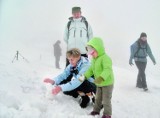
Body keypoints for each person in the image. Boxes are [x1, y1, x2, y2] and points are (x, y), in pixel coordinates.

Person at [79, 37, 114, 118]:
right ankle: (96, 111)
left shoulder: (105, 58)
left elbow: (107, 70)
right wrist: (84, 76)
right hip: (99, 83)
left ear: (98, 49)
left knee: (106, 100)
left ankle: (107, 114)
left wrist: (101, 78)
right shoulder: (94, 60)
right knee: (97, 98)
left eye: (93, 52)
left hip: (107, 83)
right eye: (90, 52)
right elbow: (90, 70)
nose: (91, 54)